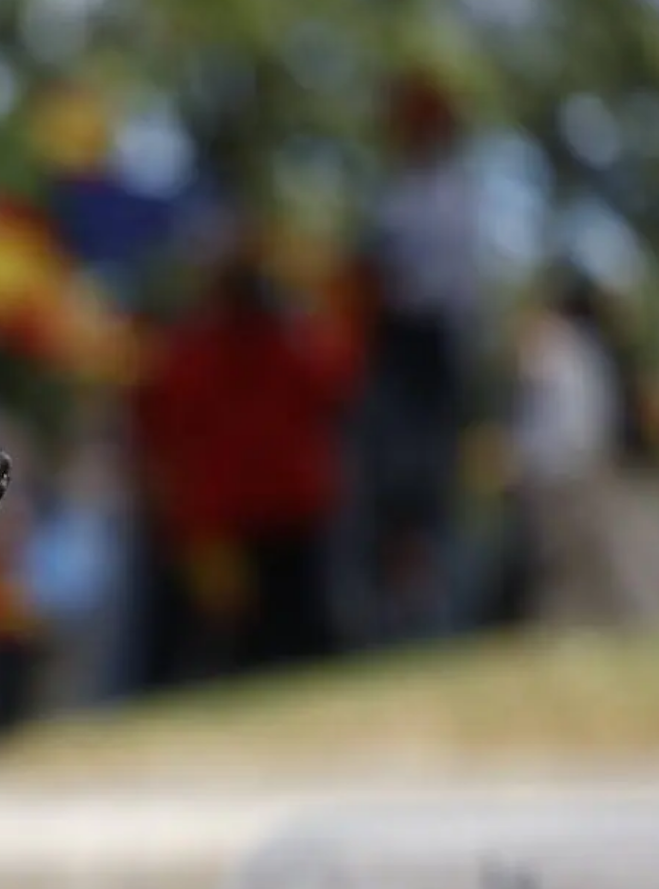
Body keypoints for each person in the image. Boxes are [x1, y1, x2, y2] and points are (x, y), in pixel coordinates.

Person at [129, 233, 360, 684]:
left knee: (240, 647)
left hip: (236, 517)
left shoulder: (191, 351)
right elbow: (339, 378)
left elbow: (151, 417)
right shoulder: (292, 343)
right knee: (288, 642)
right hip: (270, 515)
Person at [344, 71, 483, 645]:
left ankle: (432, 612)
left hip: (426, 351)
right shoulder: (399, 190)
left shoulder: (450, 193)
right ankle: (397, 611)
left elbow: (432, 289)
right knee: (388, 490)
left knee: (422, 487)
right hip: (395, 352)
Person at [507, 274, 637, 627]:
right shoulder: (560, 343)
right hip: (558, 473)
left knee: (584, 567)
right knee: (558, 569)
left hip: (573, 470)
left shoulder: (577, 346)